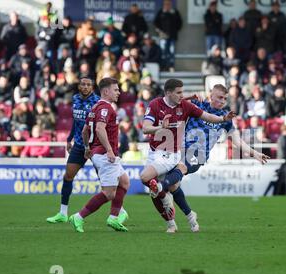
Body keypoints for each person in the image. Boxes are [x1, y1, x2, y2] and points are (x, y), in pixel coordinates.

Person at [148, 84, 269, 232]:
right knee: (174, 185)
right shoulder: (198, 105)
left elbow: (237, 141)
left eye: (225, 98)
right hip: (179, 150)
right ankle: (190, 216)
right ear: (210, 95)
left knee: (180, 169)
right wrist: (189, 97)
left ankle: (160, 188)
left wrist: (255, 153)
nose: (222, 101)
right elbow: (173, 103)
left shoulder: (226, 117)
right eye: (219, 97)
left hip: (198, 155)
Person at [140, 79, 236, 233]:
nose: (181, 95)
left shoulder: (187, 106)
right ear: (169, 93)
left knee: (148, 179)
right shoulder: (156, 104)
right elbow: (145, 128)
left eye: (182, 92)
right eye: (178, 92)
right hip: (155, 151)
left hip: (180, 153)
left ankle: (162, 190)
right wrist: (160, 127)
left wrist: (224, 119)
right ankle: (182, 218)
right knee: (172, 186)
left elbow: (209, 117)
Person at [47, 77, 129, 224]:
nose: (85, 87)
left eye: (88, 84)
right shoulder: (76, 100)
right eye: (82, 84)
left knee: (110, 182)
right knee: (68, 176)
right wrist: (69, 138)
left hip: (96, 146)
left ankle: (118, 212)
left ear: (93, 87)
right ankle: (63, 213)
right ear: (78, 86)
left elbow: (96, 127)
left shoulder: (98, 102)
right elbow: (76, 122)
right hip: (82, 145)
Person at [68, 78, 130, 233]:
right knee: (109, 193)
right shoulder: (105, 108)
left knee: (124, 182)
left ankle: (114, 217)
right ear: (106, 91)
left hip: (98, 152)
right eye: (115, 89)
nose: (119, 92)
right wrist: (109, 149)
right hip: (105, 154)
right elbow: (100, 129)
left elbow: (84, 131)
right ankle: (79, 216)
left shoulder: (95, 107)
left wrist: (87, 148)